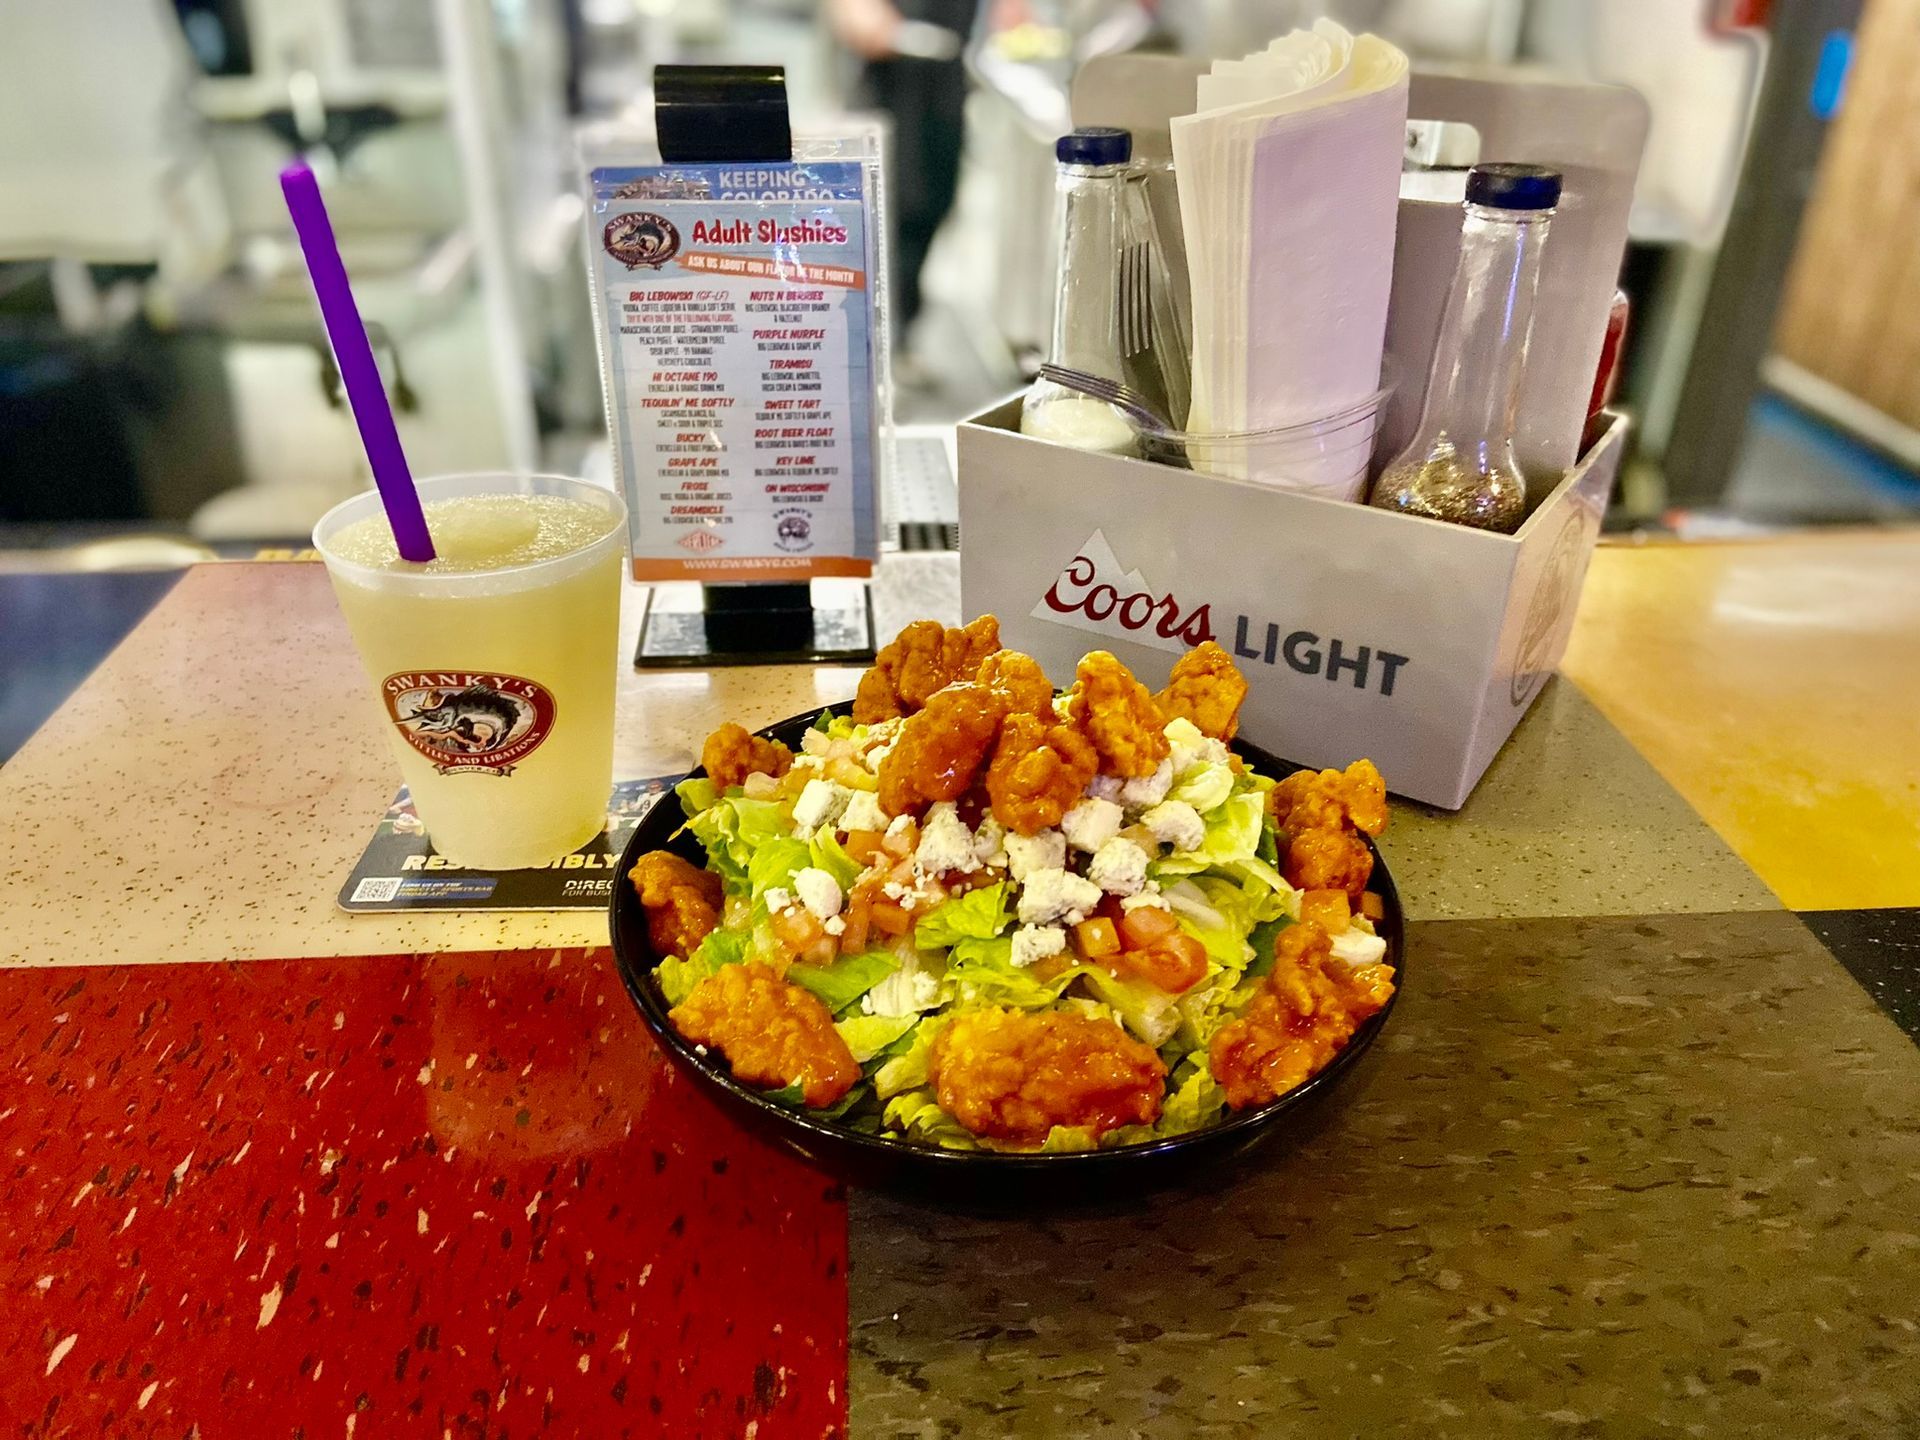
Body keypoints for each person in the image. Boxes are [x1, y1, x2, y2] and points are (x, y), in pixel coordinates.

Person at [827, 0, 976, 339]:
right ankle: (870, 336)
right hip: (888, 82)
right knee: (882, 212)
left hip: (946, 78)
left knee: (934, 202)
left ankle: (902, 330)